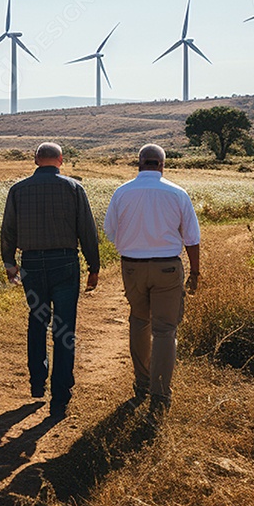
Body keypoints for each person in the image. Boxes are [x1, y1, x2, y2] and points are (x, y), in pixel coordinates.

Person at [0, 142, 100, 420]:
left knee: (37, 319)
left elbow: (8, 229)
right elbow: (87, 229)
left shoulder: (18, 190)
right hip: (66, 263)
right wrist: (94, 264)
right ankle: (61, 391)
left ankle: (36, 381)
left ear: (35, 160)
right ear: (60, 160)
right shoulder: (73, 188)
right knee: (64, 327)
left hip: (31, 265)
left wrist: (9, 263)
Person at [103, 143, 201, 422]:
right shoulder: (177, 193)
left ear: (139, 164)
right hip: (168, 267)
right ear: (162, 165)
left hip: (132, 267)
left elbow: (110, 231)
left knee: (138, 321)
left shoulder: (121, 192)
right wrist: (195, 273)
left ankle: (141, 383)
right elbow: (192, 238)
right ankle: (160, 394)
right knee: (165, 331)